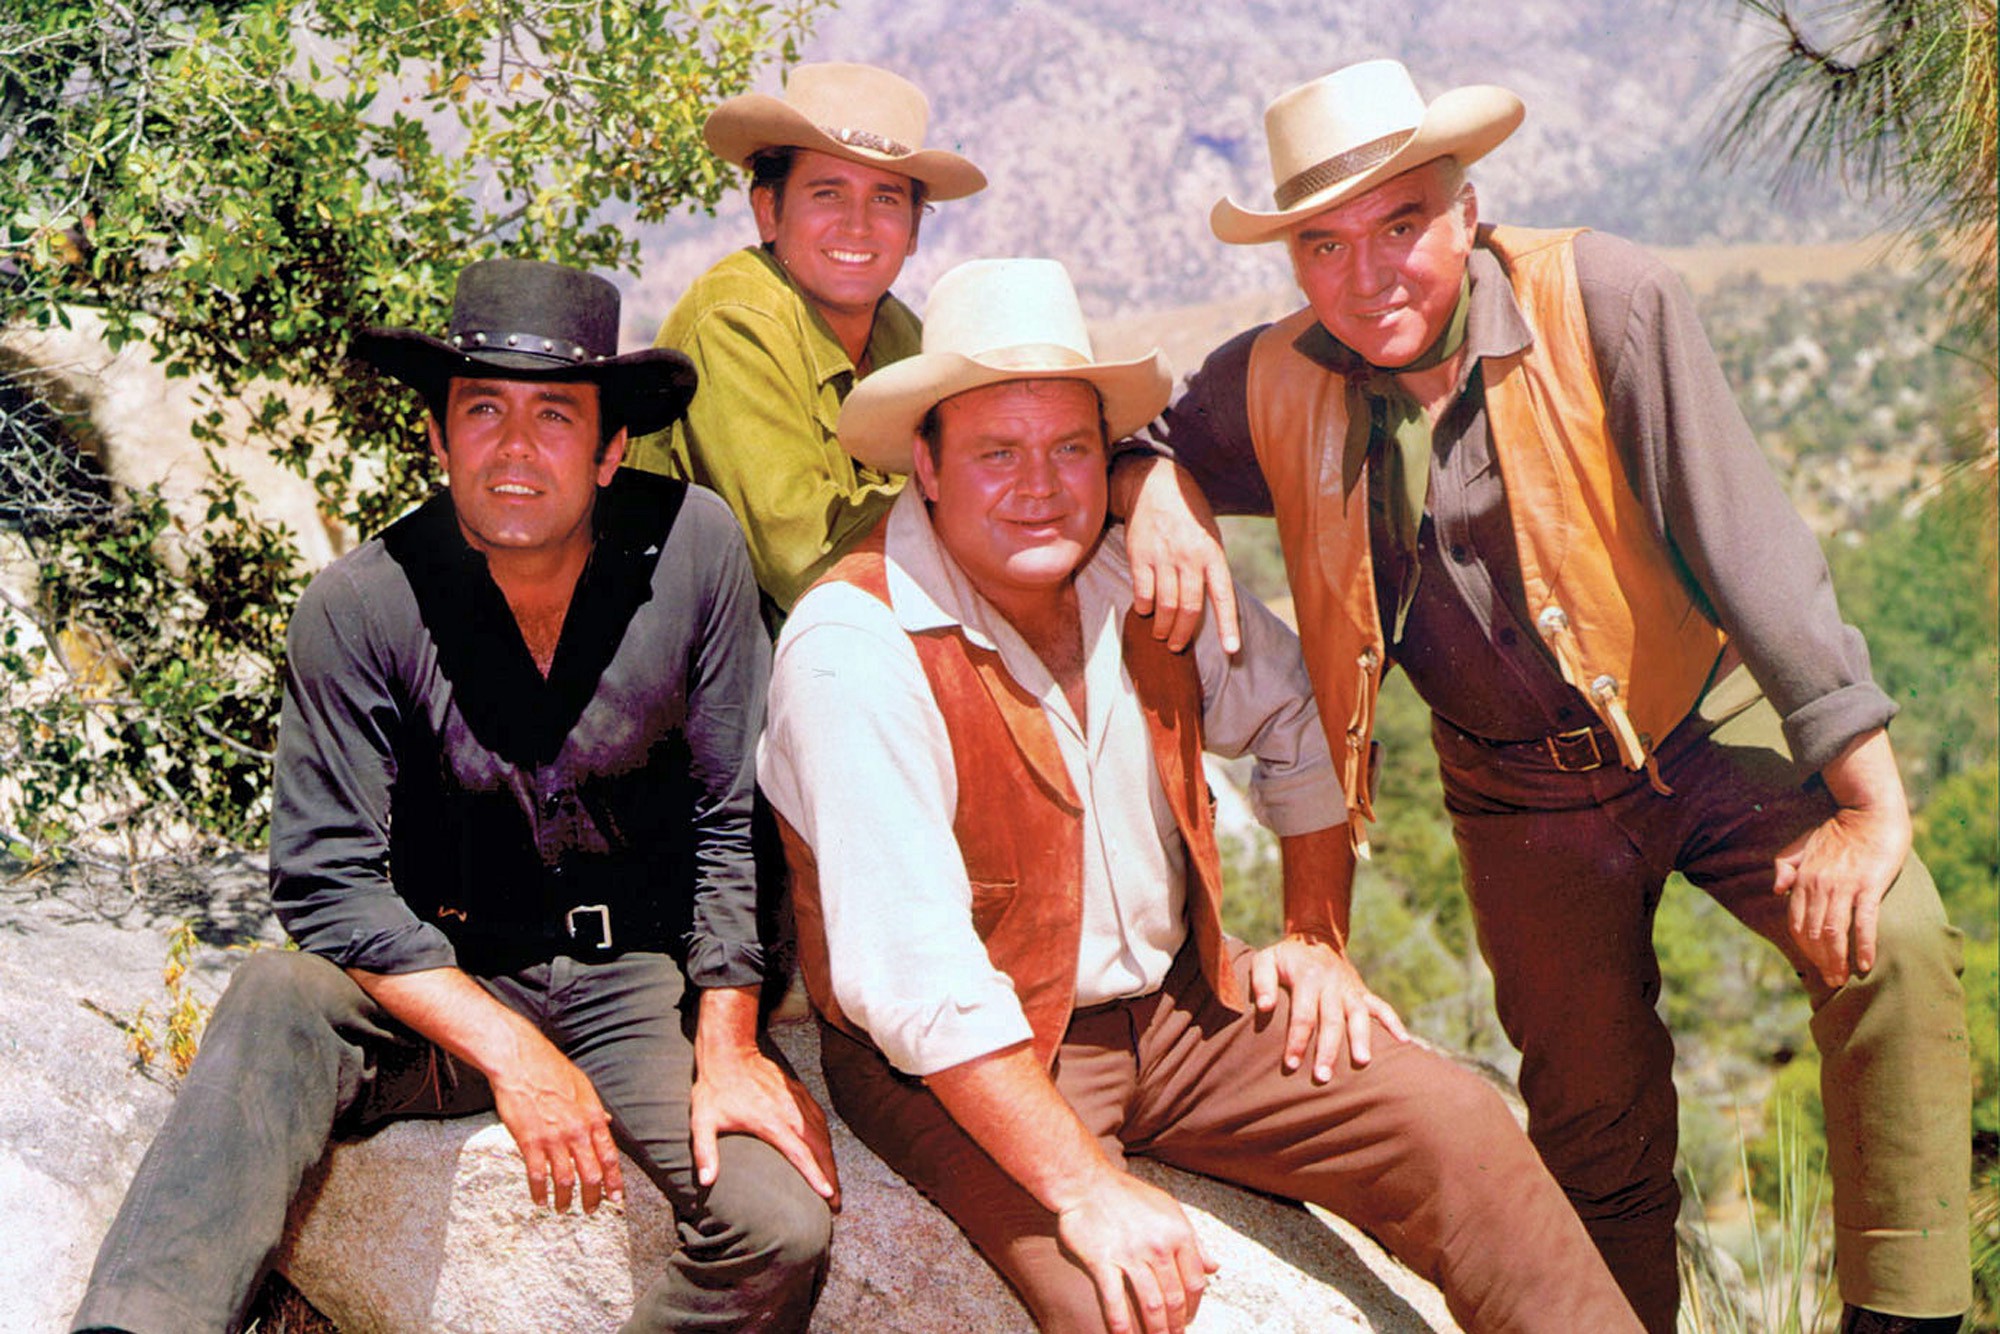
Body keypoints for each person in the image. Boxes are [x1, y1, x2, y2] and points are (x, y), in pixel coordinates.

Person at [1115, 59, 1971, 1334]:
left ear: (1465, 211)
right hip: (1516, 797)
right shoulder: (1273, 378)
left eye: (1400, 224)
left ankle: (1901, 1317)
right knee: (1591, 1124)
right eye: (1323, 244)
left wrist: (1869, 802)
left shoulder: (1604, 299)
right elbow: (1117, 431)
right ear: (1294, 262)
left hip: (1701, 721)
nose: (1366, 273)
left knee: (1888, 937)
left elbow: (1751, 547)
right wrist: (1153, 486)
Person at [762, 256, 1644, 1334]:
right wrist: (1086, 1191)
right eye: (997, 452)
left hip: (1184, 1015)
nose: (1040, 484)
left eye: (1070, 448)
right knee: (1121, 1300)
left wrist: (1312, 934)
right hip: (971, 1061)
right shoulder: (856, 647)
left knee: (1459, 1126)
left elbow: (1299, 713)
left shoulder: (1130, 577)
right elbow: (917, 981)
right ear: (926, 466)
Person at [71, 258, 837, 1334]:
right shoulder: (358, 605)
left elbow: (728, 816)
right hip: (445, 977)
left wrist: (730, 1043)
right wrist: (514, 1052)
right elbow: (329, 882)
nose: (514, 447)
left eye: (555, 417)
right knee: (278, 994)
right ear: (437, 436)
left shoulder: (694, 548)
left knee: (779, 1225)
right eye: (482, 411)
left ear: (611, 447)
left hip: (638, 984)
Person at [624, 61, 986, 632]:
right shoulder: (736, 320)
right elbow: (806, 560)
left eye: (886, 199)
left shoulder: (905, 337)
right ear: (768, 211)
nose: (857, 225)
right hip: (693, 666)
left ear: (914, 230)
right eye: (827, 194)